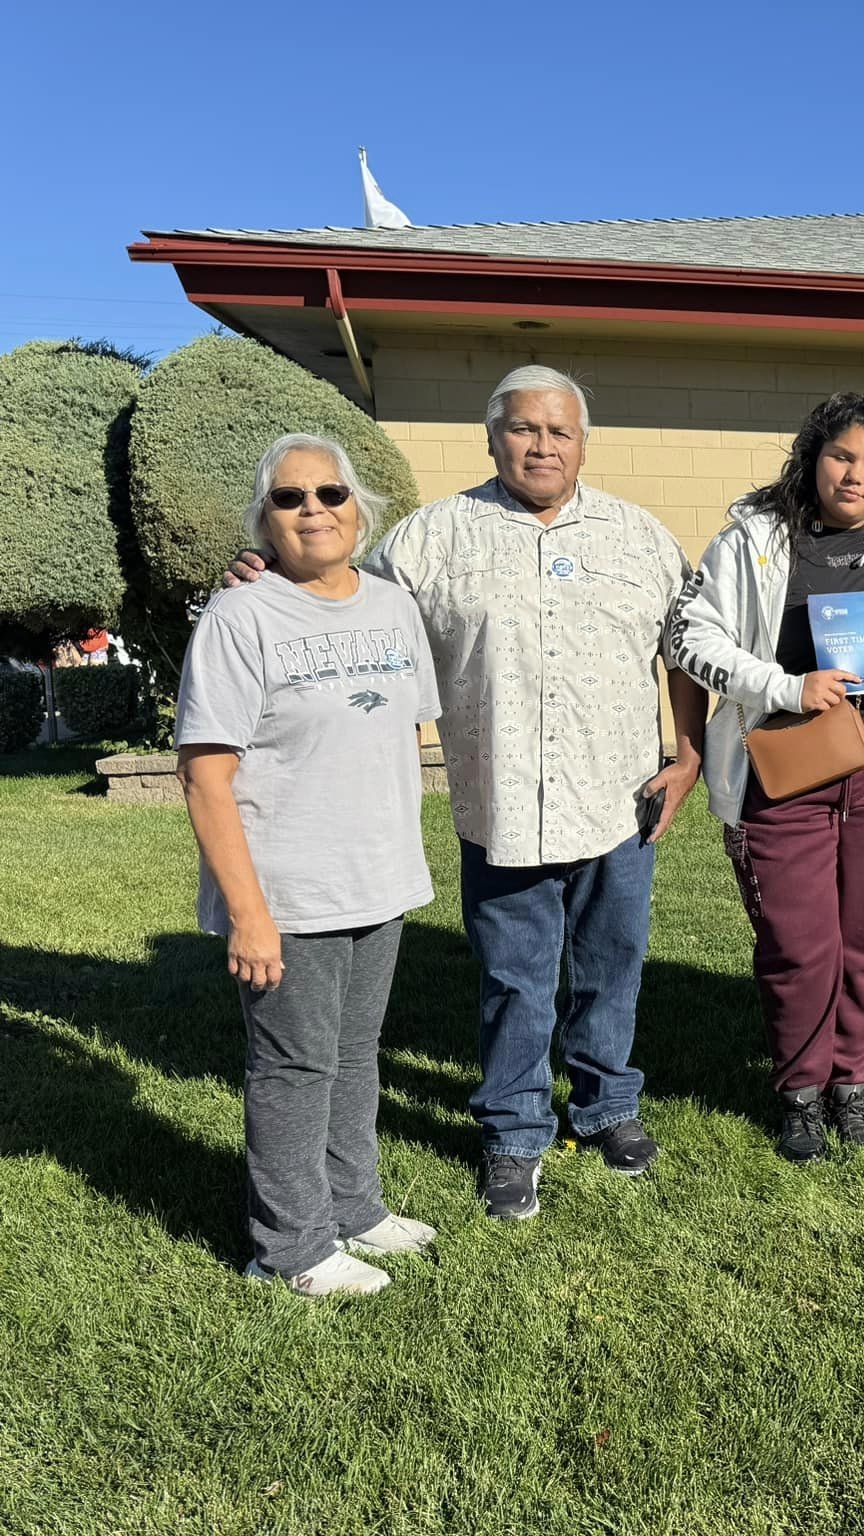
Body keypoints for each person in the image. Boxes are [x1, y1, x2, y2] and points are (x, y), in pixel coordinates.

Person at [230, 367, 707, 1222]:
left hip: (619, 798)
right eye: (524, 429)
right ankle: (515, 1133)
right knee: (515, 979)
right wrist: (265, 568)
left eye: (560, 431)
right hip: (503, 805)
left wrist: (690, 752)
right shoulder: (430, 541)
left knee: (612, 967)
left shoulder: (641, 538)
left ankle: (606, 1107)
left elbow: (684, 647)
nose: (542, 445)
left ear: (584, 443)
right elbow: (335, 586)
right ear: (493, 438)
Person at [177, 434, 441, 1296]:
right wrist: (250, 912)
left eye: (329, 493)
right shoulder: (240, 619)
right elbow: (205, 775)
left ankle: (354, 1207)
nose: (312, 510)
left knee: (356, 1054)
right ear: (266, 520)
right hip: (290, 890)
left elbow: (406, 732)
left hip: (379, 877)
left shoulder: (394, 608)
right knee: (293, 1068)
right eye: (289, 499)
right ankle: (288, 1248)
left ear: (359, 508)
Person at [667, 394, 864, 1162]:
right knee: (800, 944)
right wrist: (787, 687)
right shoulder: (753, 540)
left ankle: (851, 1084)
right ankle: (799, 1094)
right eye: (841, 456)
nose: (855, 474)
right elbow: (688, 637)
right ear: (812, 455)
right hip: (783, 766)